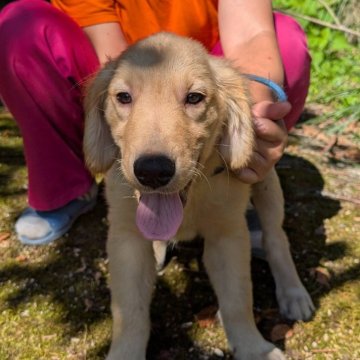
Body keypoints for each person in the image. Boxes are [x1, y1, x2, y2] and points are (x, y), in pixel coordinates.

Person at [0, 0, 310, 245]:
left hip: (206, 66)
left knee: (287, 43)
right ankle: (67, 187)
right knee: (20, 27)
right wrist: (139, 136)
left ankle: (232, 181)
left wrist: (253, 114)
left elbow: (251, 34)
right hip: (120, 67)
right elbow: (116, 57)